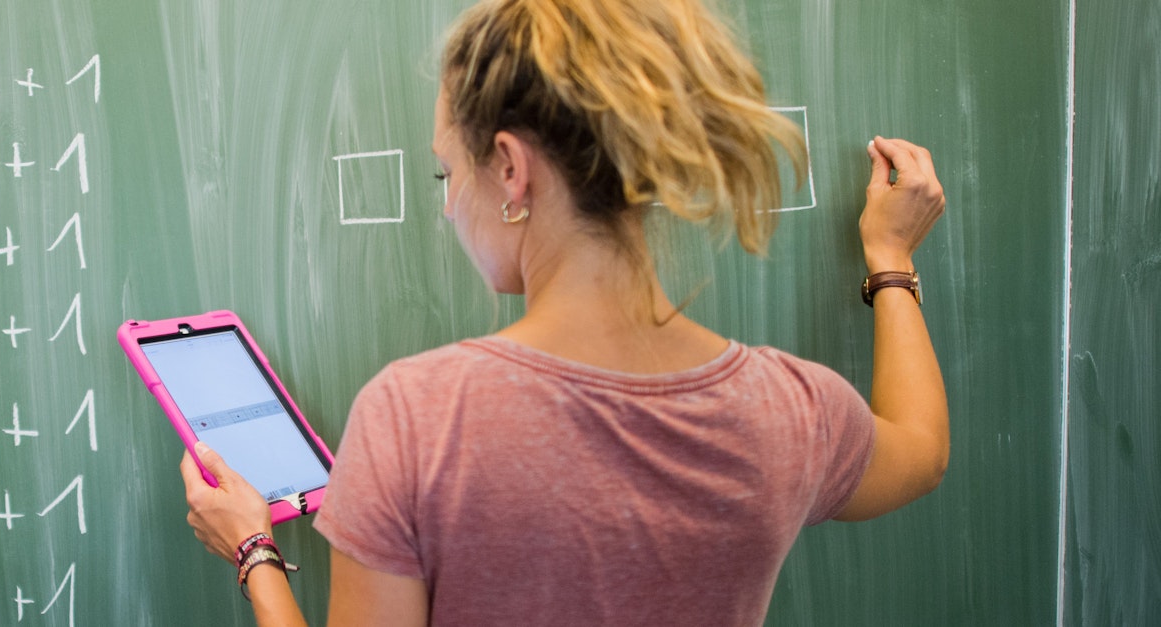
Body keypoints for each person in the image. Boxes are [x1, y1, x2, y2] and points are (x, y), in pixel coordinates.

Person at [178, 0, 950, 624]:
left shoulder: (416, 420)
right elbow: (921, 450)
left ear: (511, 169)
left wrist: (253, 550)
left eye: (448, 172)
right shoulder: (785, 409)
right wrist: (891, 259)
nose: (448, 208)